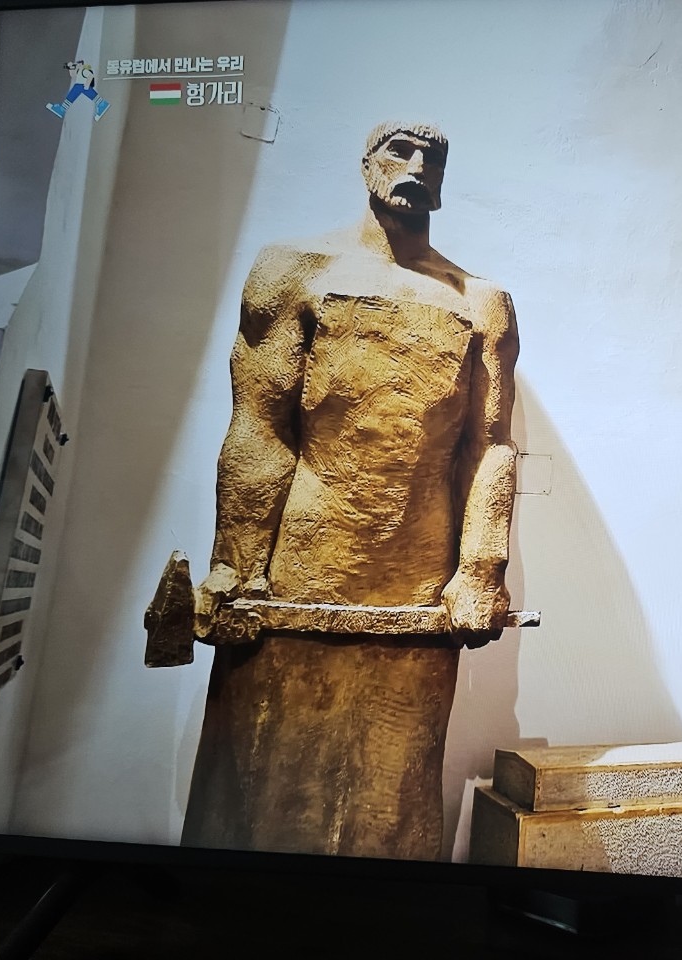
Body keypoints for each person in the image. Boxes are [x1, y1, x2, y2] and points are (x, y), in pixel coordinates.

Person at [181, 121, 519, 860]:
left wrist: (479, 570)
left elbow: (488, 446)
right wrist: (235, 565)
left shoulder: (480, 302)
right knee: (259, 784)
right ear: (367, 164)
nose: (418, 165)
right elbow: (259, 427)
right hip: (297, 568)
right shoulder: (292, 272)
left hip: (414, 579)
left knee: (391, 793)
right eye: (401, 149)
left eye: (434, 157)